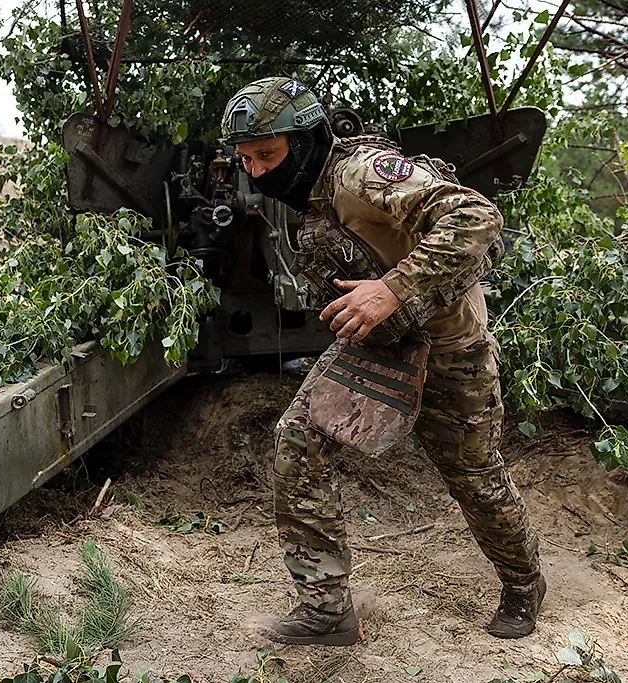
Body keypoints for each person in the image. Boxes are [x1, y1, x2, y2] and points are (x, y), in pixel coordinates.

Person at [219, 77, 545, 646]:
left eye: (268, 155)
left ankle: (524, 586)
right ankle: (326, 609)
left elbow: (475, 216)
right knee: (297, 439)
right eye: (246, 158)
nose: (257, 172)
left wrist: (392, 288)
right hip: (381, 346)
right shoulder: (310, 193)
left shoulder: (360, 173)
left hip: (450, 350)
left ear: (307, 139)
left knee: (474, 478)